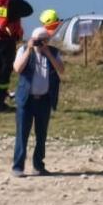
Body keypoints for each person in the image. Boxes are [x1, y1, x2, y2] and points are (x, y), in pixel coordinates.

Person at [11, 11, 64, 177]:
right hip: (26, 100)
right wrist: (29, 49)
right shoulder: (23, 50)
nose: (41, 43)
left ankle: (38, 166)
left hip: (44, 100)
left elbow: (61, 69)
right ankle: (18, 167)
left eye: (44, 40)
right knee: (22, 135)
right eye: (38, 40)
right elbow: (17, 68)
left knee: (41, 136)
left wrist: (47, 52)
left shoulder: (53, 52)